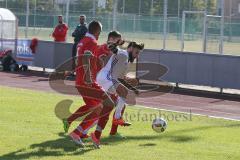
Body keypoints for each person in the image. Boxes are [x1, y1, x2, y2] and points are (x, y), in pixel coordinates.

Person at [90, 41, 144, 148]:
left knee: (106, 109)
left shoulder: (126, 61)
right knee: (123, 93)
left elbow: (121, 79)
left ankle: (92, 134)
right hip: (105, 78)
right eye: (136, 52)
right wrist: (115, 44)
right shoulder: (123, 53)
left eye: (138, 53)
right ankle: (117, 117)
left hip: (108, 80)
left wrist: (133, 87)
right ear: (131, 48)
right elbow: (113, 48)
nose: (137, 55)